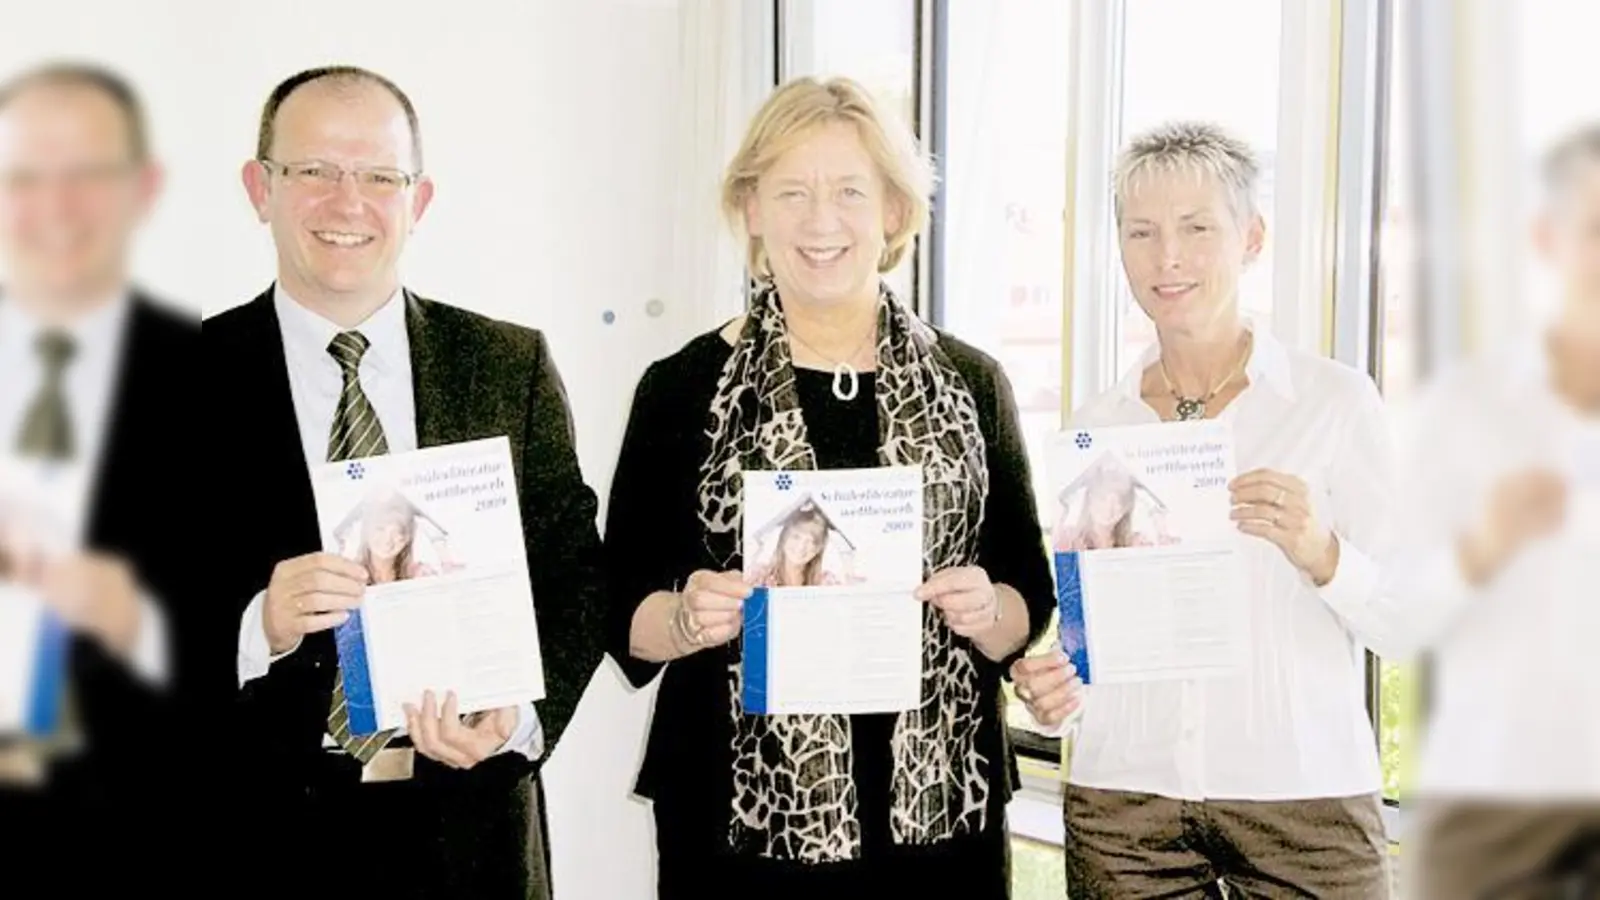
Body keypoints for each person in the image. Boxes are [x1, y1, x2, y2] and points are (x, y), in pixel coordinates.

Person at [604, 76, 1056, 899]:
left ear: (892, 211)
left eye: (850, 191)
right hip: (734, 825)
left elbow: (1027, 595)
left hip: (940, 815)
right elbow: (620, 610)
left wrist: (991, 609)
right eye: (792, 192)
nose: (821, 221)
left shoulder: (973, 383)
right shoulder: (681, 387)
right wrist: (684, 617)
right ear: (752, 209)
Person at [204, 66, 605, 899]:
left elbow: (575, 575)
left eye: (379, 176)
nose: (347, 202)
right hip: (252, 839)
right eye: (313, 170)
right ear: (260, 188)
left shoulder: (507, 364)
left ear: (417, 201)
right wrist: (256, 625)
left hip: (474, 839)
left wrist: (519, 720)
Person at [1012, 122, 1396, 898]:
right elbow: (1094, 641)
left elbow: (1413, 620)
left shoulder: (1333, 403)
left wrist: (1323, 553)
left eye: (1197, 229)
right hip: (1126, 807)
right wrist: (1053, 691)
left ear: (1252, 238)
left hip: (1303, 802)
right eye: (1142, 233)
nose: (1169, 258)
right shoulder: (1096, 428)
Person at [0, 62, 195, 894]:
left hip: (138, 835)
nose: (56, 207)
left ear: (142, 189)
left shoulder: (215, 376)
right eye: (24, 177)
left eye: (87, 176)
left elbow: (280, 644)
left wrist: (139, 624)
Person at [1396, 123, 1600, 900]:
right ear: (1547, 239)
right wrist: (1482, 548)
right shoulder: (1469, 406)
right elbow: (1400, 614)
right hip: (1496, 802)